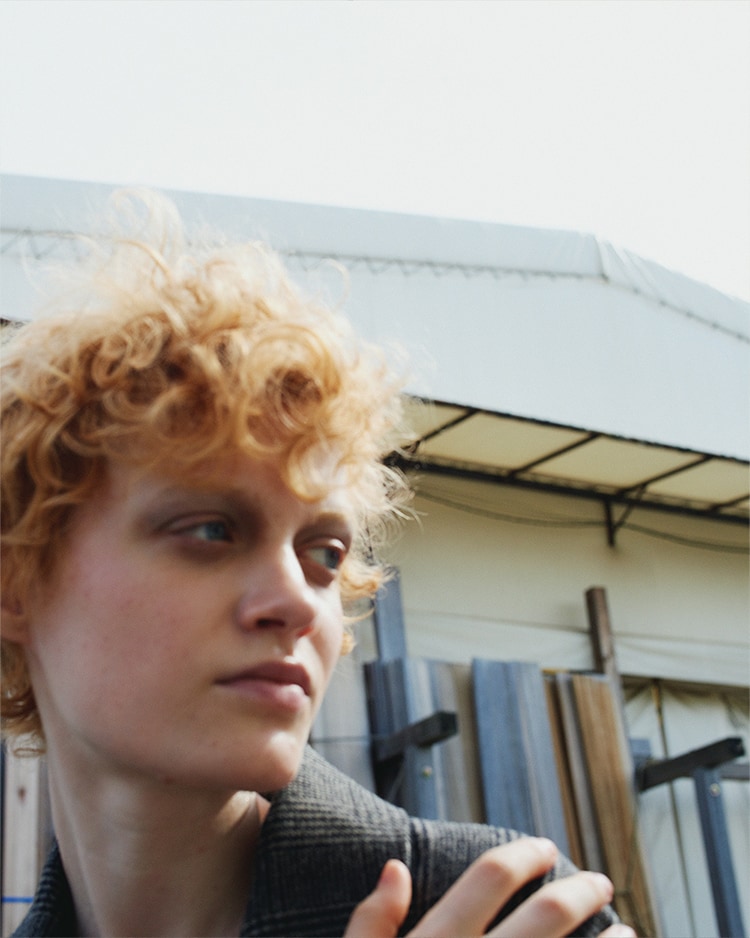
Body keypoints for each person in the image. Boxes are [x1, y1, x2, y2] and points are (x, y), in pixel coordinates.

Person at [1, 191, 634, 938]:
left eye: (325, 554)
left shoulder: (505, 912)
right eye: (210, 530)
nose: (298, 600)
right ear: (16, 582)